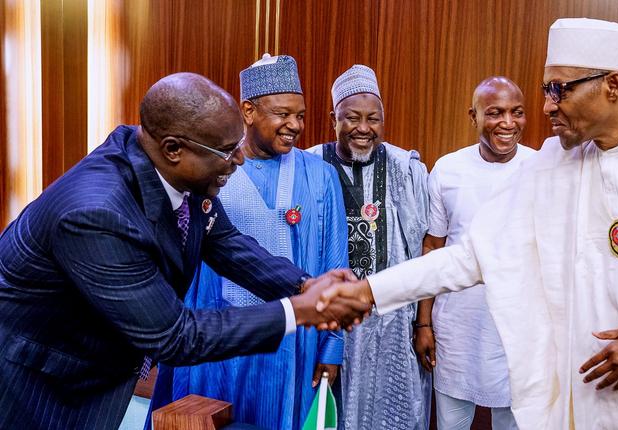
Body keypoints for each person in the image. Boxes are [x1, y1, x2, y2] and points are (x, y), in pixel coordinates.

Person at [319, 18, 618, 429]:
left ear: (613, 84)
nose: (546, 107)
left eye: (559, 89)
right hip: (598, 400)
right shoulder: (553, 167)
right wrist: (368, 292)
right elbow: (470, 257)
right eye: (547, 90)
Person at [0, 72, 367, 429]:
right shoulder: (97, 214)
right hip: (40, 383)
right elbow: (175, 337)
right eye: (226, 151)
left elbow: (226, 243)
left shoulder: (179, 174)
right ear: (174, 149)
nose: (239, 160)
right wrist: (300, 311)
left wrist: (305, 285)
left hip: (92, 370)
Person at [147, 56, 349, 429]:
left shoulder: (320, 175)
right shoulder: (207, 168)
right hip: (214, 341)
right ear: (249, 110)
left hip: (290, 344)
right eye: (283, 114)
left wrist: (332, 347)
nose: (295, 125)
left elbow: (334, 262)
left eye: (301, 115)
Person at [306, 64, 432, 430]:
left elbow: (425, 248)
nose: (364, 128)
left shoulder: (404, 167)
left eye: (373, 118)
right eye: (352, 118)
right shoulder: (310, 164)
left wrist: (423, 322)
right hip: (328, 322)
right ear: (334, 119)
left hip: (391, 324)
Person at [413, 76, 533, 430]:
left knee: (513, 422)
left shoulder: (541, 167)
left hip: (517, 328)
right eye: (495, 113)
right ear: (474, 116)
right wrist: (424, 322)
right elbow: (433, 248)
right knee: (452, 424)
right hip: (456, 327)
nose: (508, 123)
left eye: (517, 113)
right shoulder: (448, 169)